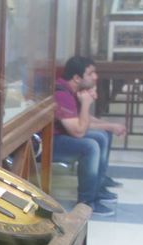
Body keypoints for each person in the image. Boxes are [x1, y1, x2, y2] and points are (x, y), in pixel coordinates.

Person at [53, 56, 126, 216]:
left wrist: (109, 126)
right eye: (90, 73)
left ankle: (97, 188)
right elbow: (79, 131)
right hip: (48, 143)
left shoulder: (72, 90)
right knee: (90, 146)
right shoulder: (62, 94)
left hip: (63, 134)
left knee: (102, 135)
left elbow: (82, 120)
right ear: (77, 78)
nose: (95, 77)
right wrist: (86, 103)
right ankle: (86, 202)